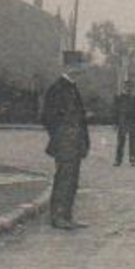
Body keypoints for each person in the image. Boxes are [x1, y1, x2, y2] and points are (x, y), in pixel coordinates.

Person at [41, 72, 91, 229]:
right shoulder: (57, 89)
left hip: (75, 142)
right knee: (64, 178)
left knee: (72, 179)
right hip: (65, 142)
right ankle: (58, 216)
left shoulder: (72, 88)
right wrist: (60, 134)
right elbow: (47, 117)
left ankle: (67, 216)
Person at [112, 84, 135, 166]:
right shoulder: (119, 99)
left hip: (132, 122)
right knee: (120, 142)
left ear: (132, 89)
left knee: (132, 142)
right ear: (124, 88)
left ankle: (132, 159)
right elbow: (115, 111)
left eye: (130, 87)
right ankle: (118, 160)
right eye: (126, 87)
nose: (128, 89)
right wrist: (115, 123)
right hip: (122, 122)